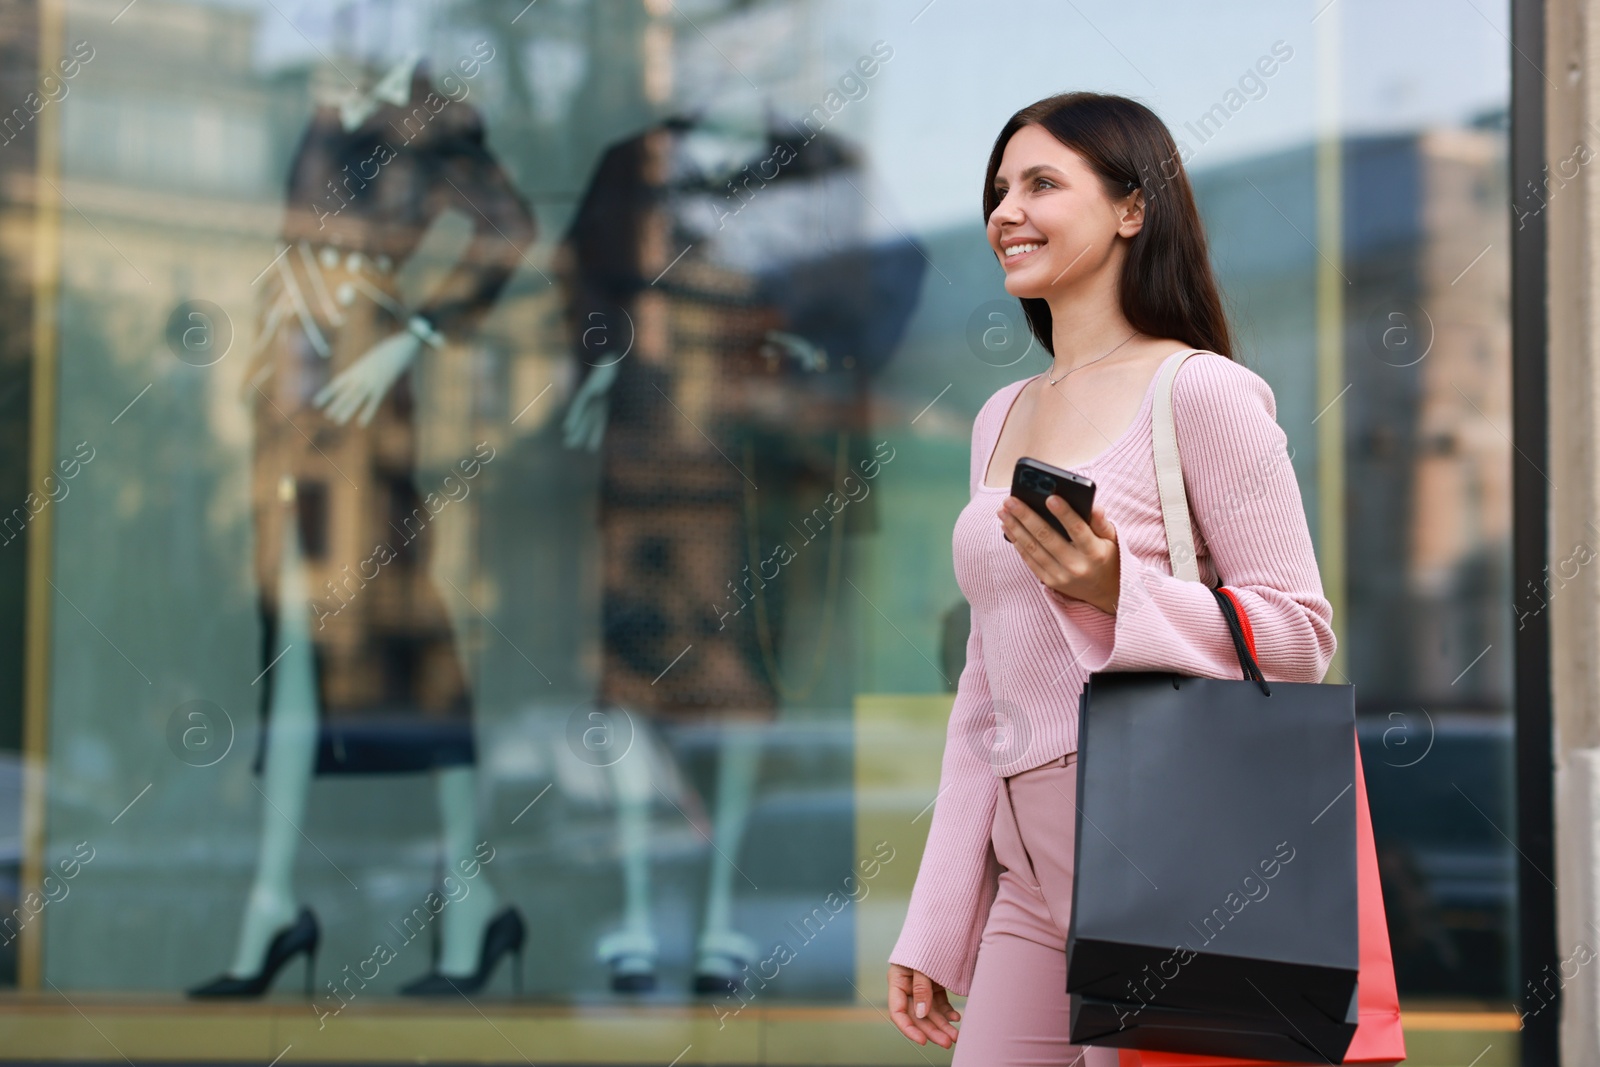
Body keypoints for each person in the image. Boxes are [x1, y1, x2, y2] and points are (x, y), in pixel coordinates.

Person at [884, 92, 1336, 1065]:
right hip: (1025, 866)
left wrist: (1115, 591)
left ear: (1133, 208)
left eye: (1042, 183)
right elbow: (984, 684)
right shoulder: (999, 414)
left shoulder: (1200, 390)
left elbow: (1300, 633)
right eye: (998, 188)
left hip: (1157, 836)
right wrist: (938, 918)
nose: (1006, 210)